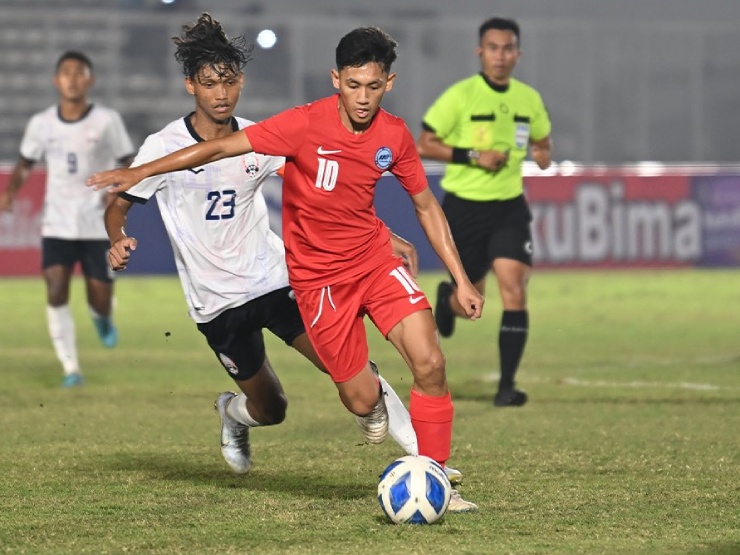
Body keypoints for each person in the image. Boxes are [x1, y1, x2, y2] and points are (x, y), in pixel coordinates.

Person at [89, 26, 483, 512]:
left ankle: (429, 468)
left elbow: (328, 187)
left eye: (230, 82)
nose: (222, 93)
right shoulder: (168, 146)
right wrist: (122, 224)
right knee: (272, 407)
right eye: (211, 83)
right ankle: (233, 413)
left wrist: (384, 235)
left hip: (277, 279)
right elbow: (123, 203)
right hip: (217, 302)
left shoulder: (270, 136)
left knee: (396, 368)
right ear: (191, 85)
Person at [417, 16, 552, 407]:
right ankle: (447, 302)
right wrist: (475, 155)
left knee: (514, 287)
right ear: (481, 52)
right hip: (464, 208)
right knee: (470, 300)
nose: (500, 55)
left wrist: (543, 154)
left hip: (509, 206)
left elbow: (543, 143)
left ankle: (507, 387)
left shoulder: (529, 99)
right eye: (493, 48)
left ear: (517, 53)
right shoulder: (460, 96)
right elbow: (424, 143)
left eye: (508, 48)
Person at [0, 51, 135, 388]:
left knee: (98, 298)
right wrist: (10, 192)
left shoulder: (106, 120)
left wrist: (116, 190)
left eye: (79, 72)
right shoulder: (41, 123)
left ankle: (102, 318)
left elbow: (127, 161)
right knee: (56, 290)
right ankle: (70, 367)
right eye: (66, 72)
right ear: (56, 81)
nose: (72, 78)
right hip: (57, 223)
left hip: (95, 222)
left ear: (90, 80)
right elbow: (25, 162)